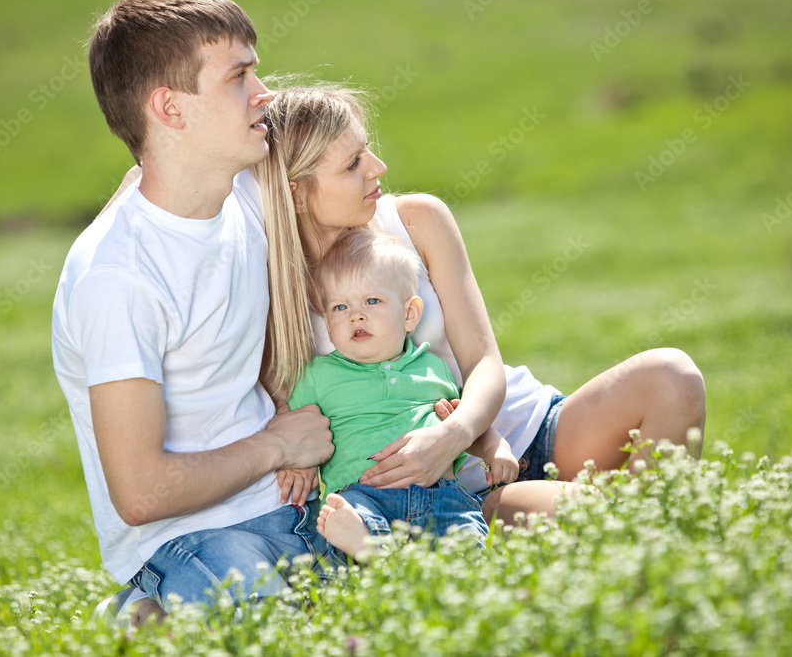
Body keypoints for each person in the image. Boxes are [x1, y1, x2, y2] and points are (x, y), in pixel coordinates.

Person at [257, 83, 707, 525]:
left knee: (673, 375)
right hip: (443, 495)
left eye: (367, 150)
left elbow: (483, 361)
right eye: (353, 163)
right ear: (297, 192)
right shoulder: (269, 288)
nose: (378, 167)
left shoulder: (417, 220)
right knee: (599, 515)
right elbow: (293, 418)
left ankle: (630, 526)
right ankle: (606, 522)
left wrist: (454, 435)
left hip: (524, 430)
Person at [52, 0, 333, 617]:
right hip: (186, 534)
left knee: (419, 584)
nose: (264, 92)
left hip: (291, 497)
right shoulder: (117, 277)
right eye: (238, 76)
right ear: (169, 109)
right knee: (272, 629)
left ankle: (150, 616)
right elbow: (142, 493)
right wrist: (279, 446)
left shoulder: (239, 193)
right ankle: (142, 603)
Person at [284, 227, 519, 561]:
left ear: (409, 314)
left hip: (441, 495)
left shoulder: (431, 368)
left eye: (372, 301)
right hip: (364, 493)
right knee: (345, 517)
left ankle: (388, 557)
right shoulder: (318, 376)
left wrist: (495, 447)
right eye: (340, 307)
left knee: (468, 543)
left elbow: (457, 416)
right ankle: (368, 546)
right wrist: (297, 463)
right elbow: (291, 424)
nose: (356, 315)